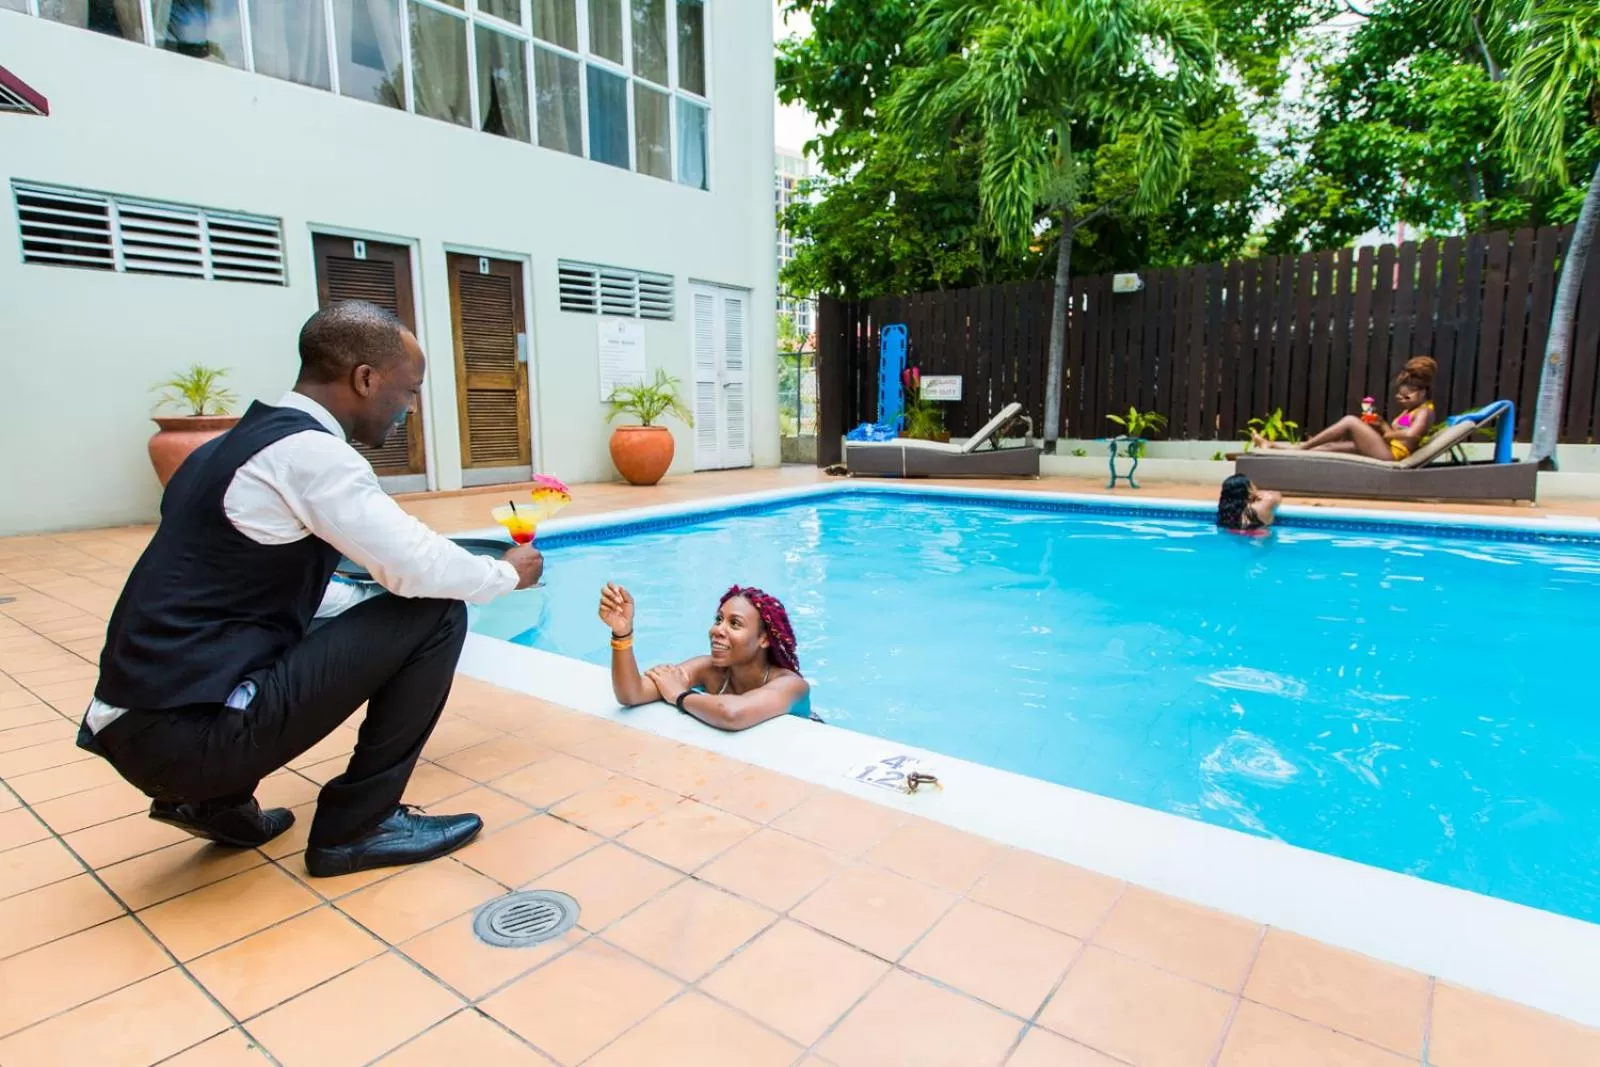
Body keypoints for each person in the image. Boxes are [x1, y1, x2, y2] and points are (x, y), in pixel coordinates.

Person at [76, 301, 544, 877]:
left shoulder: (230, 448)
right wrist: (507, 574)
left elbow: (283, 592)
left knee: (360, 603)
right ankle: (359, 826)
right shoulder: (312, 455)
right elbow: (416, 566)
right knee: (437, 611)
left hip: (137, 725)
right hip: (186, 740)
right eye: (410, 390)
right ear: (365, 379)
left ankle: (213, 804)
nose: (409, 409)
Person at [598, 582, 814, 729]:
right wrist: (622, 633)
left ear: (764, 639)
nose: (717, 630)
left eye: (735, 624)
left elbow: (733, 714)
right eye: (718, 619)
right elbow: (632, 695)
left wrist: (680, 696)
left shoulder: (792, 685)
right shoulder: (708, 669)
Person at [1252, 357, 1439, 461]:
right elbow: (1400, 431)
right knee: (1330, 447)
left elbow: (1412, 435)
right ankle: (1275, 448)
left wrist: (1388, 435)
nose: (1402, 400)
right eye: (1400, 396)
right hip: (1388, 449)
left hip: (1392, 455)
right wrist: (1381, 423)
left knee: (1350, 421)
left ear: (1422, 392)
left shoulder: (1425, 411)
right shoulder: (1411, 411)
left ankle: (1300, 448)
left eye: (1407, 396)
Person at [1216, 474, 1281, 533]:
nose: (1256, 487)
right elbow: (1276, 495)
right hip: (1257, 540)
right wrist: (1257, 494)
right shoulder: (1258, 508)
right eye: (1253, 485)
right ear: (1249, 491)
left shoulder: (1226, 514)